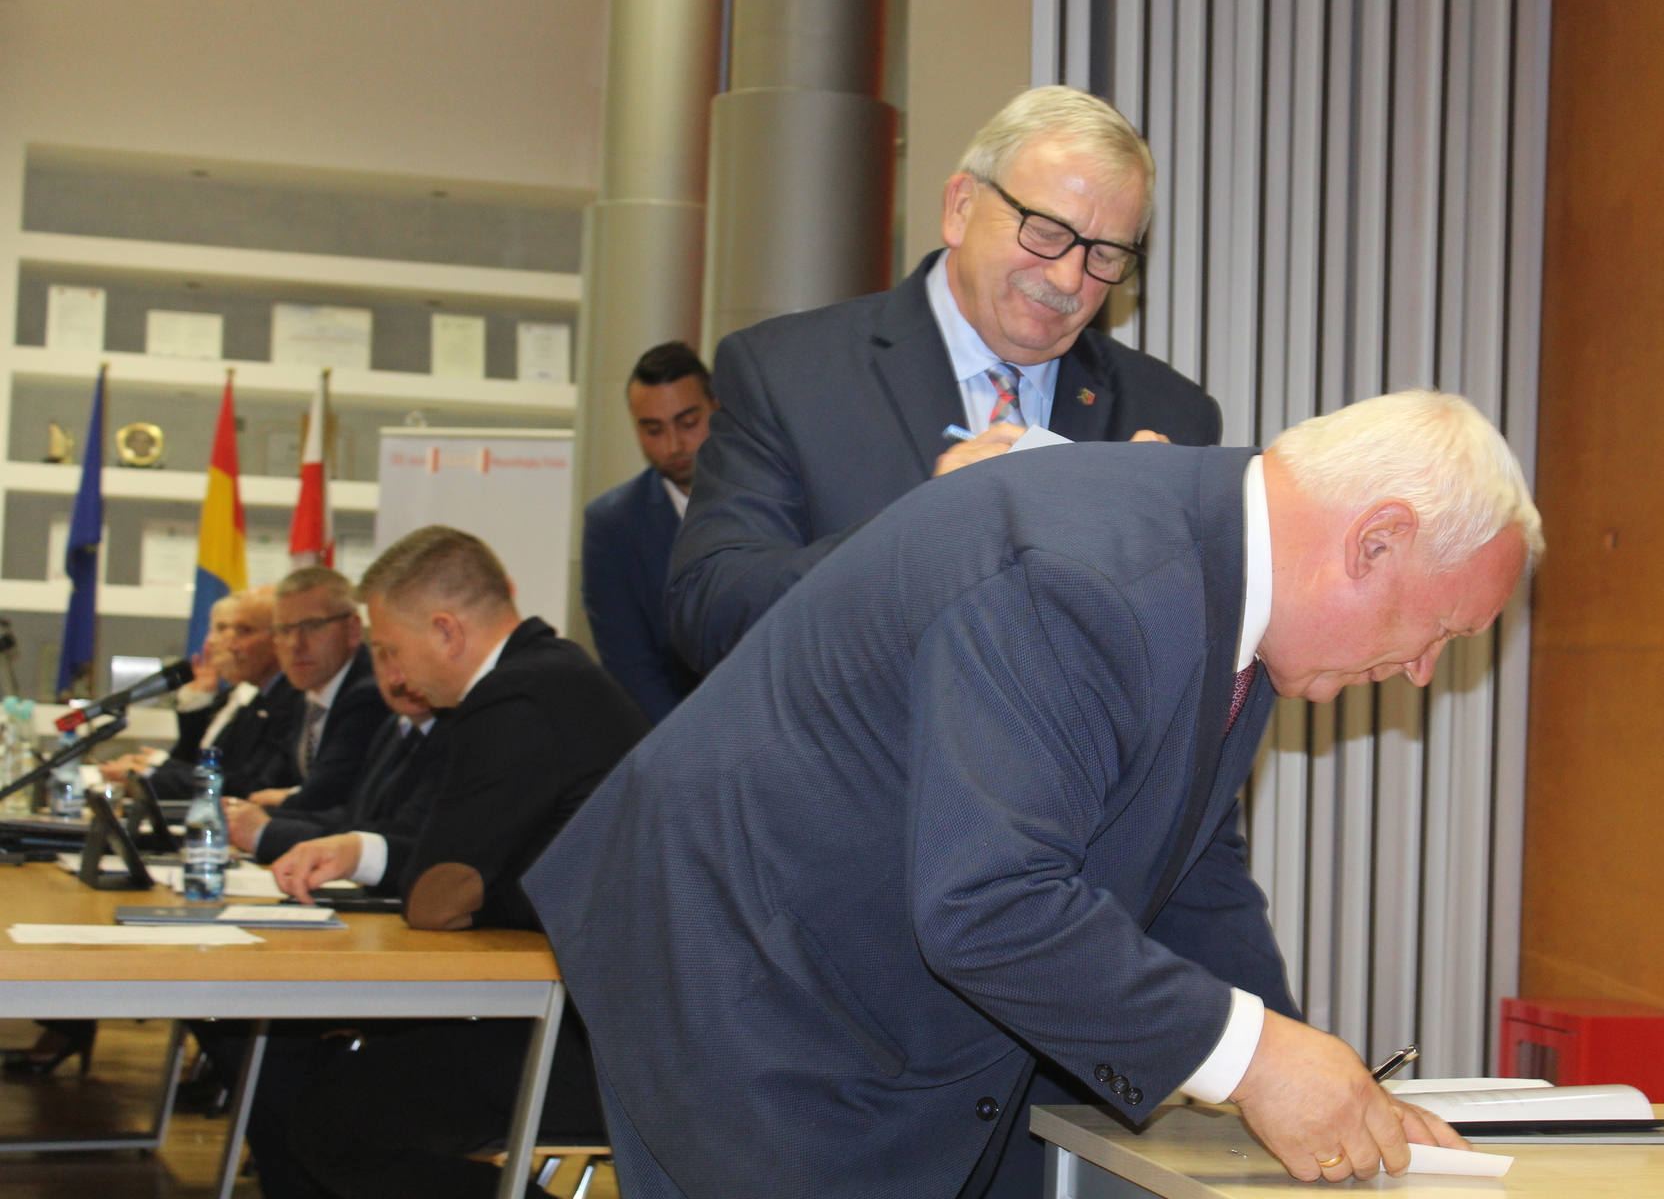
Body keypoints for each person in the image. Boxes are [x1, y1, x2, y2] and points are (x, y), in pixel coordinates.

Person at [529, 390, 1541, 1198]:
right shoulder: (1093, 580)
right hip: (743, 975)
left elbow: (1193, 876)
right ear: (1375, 540)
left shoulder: (1228, 585)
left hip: (839, 957)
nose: (1422, 672)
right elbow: (988, 904)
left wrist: (1313, 1080)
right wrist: (1256, 1059)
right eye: (1443, 630)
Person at [668, 85, 1219, 675]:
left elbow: (1198, 666)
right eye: (1045, 231)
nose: (1068, 278)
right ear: (960, 207)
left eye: (1104, 254)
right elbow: (713, 613)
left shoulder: (1171, 416)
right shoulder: (787, 372)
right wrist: (922, 537)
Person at [263, 526, 649, 1198]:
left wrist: (471, 888)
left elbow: (436, 899)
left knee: (335, 1118)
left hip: (604, 1050)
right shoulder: (555, 674)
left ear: (445, 630)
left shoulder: (512, 696)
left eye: (391, 649)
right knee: (340, 1082)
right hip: (618, 1023)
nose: (394, 675)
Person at [581, 341, 716, 722]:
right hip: (676, 732)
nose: (674, 445)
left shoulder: (775, 496)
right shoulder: (613, 526)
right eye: (654, 430)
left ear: (717, 408)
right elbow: (631, 667)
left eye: (688, 424)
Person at [225, 642, 448, 868]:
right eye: (382, 657)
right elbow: (354, 816)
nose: (397, 676)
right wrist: (259, 818)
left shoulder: (453, 734)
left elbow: (402, 838)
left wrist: (267, 831)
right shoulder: (396, 724)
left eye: (407, 655)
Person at [104, 585, 306, 800]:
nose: (229, 645)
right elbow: (209, 767)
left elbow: (246, 786)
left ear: (280, 637)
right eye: (223, 629)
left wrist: (152, 771)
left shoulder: (291, 699)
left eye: (244, 631)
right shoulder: (260, 698)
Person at [245, 567, 384, 814]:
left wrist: (280, 801)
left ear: (353, 629)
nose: (295, 644)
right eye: (284, 630)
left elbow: (326, 796)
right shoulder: (307, 695)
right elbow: (266, 782)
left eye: (312, 626)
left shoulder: (370, 694)